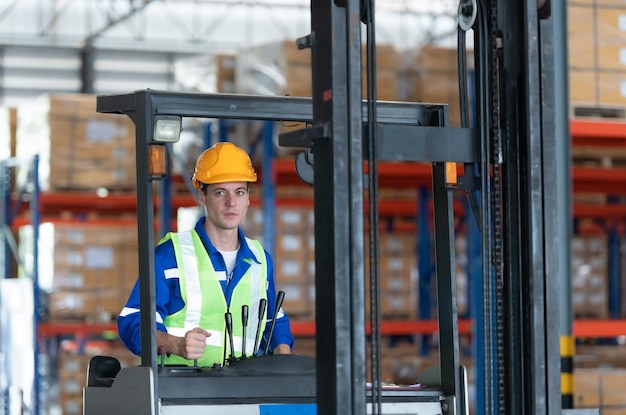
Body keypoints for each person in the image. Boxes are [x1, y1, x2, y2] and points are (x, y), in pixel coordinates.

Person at [117, 141, 294, 366]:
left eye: (239, 192)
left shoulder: (259, 259)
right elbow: (133, 320)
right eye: (220, 192)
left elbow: (274, 319)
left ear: (248, 197)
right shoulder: (171, 256)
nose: (232, 202)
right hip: (181, 392)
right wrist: (175, 344)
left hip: (245, 390)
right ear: (202, 196)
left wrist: (283, 356)